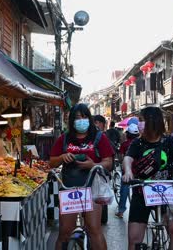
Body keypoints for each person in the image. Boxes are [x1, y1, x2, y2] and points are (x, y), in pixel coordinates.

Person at [122, 107, 173, 250]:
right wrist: (128, 172)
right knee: (134, 238)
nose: (139, 124)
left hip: (166, 191)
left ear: (152, 121)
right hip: (141, 192)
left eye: (141, 121)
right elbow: (127, 159)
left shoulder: (170, 141)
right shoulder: (137, 143)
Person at [50, 104, 114, 250]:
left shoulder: (99, 137)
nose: (81, 120)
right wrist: (62, 157)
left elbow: (108, 162)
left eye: (84, 117)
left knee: (94, 229)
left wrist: (93, 165)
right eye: (78, 117)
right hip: (69, 189)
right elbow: (51, 162)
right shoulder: (64, 139)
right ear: (72, 120)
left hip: (92, 187)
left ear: (89, 119)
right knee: (65, 232)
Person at [115, 123, 140, 218]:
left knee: (124, 191)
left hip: (127, 171)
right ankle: (136, 211)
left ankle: (121, 211)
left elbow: (121, 157)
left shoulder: (124, 144)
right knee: (137, 192)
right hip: (138, 171)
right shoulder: (140, 143)